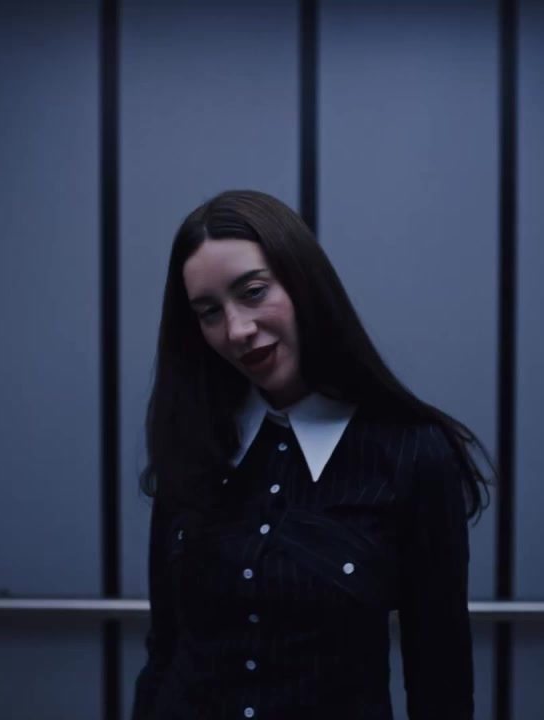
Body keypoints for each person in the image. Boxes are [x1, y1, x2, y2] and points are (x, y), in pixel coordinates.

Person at [132, 189, 492, 720]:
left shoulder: (411, 452)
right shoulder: (196, 441)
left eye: (254, 292)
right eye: (209, 312)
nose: (237, 329)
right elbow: (165, 650)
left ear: (303, 283)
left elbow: (440, 679)